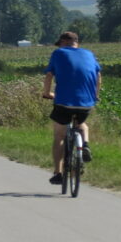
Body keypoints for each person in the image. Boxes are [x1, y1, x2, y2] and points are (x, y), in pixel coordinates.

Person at [42, 31, 101, 185]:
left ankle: (58, 172)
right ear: (77, 43)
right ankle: (85, 144)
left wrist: (47, 93)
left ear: (63, 43)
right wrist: (95, 96)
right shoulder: (89, 54)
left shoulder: (59, 53)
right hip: (86, 103)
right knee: (81, 124)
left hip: (64, 102)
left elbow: (49, 75)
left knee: (59, 135)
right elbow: (98, 76)